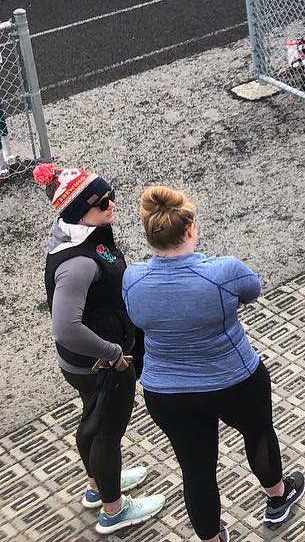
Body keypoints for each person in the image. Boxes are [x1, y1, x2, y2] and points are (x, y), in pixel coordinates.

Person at [123, 187, 305, 542]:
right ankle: (277, 498)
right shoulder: (224, 271)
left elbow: (135, 316)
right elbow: (252, 290)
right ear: (191, 228)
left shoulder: (132, 279)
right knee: (258, 435)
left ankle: (211, 538)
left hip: (167, 393)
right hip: (235, 380)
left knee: (196, 470)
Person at [38, 163, 165, 535]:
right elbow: (65, 327)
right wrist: (113, 354)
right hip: (101, 366)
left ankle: (98, 487)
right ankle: (114, 510)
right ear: (80, 211)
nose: (112, 205)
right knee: (107, 434)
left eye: (112, 196)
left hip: (86, 364)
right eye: (102, 202)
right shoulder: (78, 264)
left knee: (94, 422)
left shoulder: (79, 233)